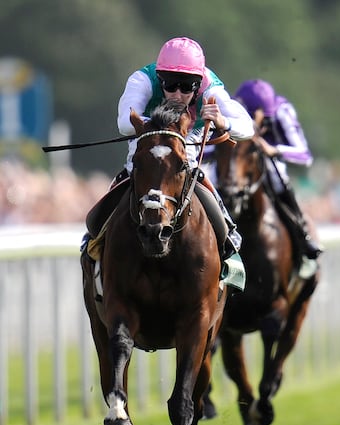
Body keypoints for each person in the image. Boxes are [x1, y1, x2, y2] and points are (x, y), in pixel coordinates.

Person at [94, 36, 254, 259]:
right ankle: (95, 239)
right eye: (170, 85)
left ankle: (227, 237)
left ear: (198, 84)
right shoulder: (141, 80)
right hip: (149, 139)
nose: (178, 95)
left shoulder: (211, 89)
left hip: (187, 139)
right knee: (133, 171)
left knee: (192, 174)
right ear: (160, 79)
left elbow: (248, 128)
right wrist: (157, 129)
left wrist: (222, 121)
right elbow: (124, 123)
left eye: (187, 87)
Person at [234, 79, 323, 261]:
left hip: (271, 160)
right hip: (242, 159)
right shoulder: (230, 109)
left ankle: (302, 233)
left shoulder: (283, 111)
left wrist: (274, 150)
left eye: (261, 122)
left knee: (276, 176)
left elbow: (305, 155)